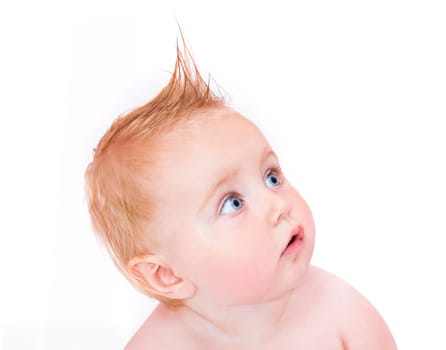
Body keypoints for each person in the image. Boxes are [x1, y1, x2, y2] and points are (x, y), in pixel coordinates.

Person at [84, 39, 397, 349]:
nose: (277, 205)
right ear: (166, 274)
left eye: (271, 177)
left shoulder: (340, 312)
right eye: (233, 203)